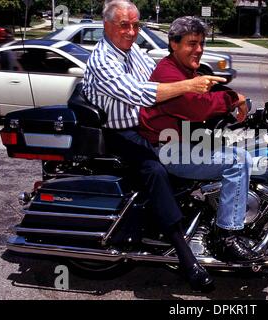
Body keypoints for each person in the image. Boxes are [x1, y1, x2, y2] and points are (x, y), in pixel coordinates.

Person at [82, 0, 223, 291]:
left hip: (143, 127)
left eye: (136, 24)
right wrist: (187, 86)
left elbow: (160, 73)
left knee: (206, 143)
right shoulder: (102, 59)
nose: (132, 31)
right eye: (124, 25)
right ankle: (186, 259)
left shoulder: (132, 50)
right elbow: (137, 92)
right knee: (155, 170)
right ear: (106, 24)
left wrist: (213, 90)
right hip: (117, 134)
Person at [139, 16, 261, 263]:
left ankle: (210, 215)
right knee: (238, 161)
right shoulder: (168, 72)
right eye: (191, 43)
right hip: (168, 150)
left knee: (238, 146)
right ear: (174, 44)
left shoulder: (185, 69)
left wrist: (230, 97)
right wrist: (231, 99)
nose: (199, 50)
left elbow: (207, 93)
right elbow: (195, 108)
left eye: (201, 44)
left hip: (180, 143)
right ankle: (229, 236)